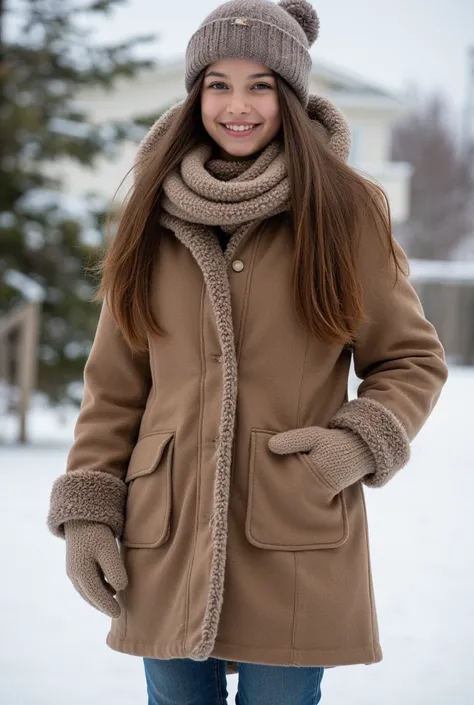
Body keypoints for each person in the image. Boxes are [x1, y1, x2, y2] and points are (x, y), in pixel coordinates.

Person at [46, 1, 449, 703]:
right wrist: (87, 511)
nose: (238, 105)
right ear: (196, 92)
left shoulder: (345, 210)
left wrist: (354, 445)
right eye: (218, 84)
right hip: (162, 530)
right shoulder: (149, 215)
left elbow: (411, 359)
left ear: (290, 97)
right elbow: (113, 387)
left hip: (294, 524)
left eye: (261, 84)